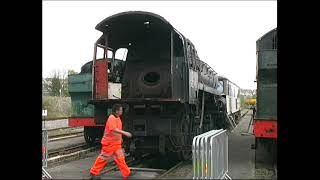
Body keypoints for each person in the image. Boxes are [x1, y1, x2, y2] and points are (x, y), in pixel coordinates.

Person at [90, 104, 133, 180]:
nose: (122, 111)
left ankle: (127, 173)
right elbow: (113, 129)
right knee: (103, 158)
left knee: (120, 158)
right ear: (117, 111)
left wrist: (120, 138)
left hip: (116, 144)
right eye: (120, 110)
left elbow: (117, 130)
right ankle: (94, 172)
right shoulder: (111, 118)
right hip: (109, 144)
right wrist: (125, 133)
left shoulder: (117, 118)